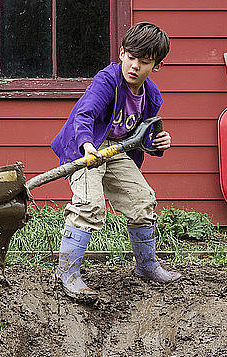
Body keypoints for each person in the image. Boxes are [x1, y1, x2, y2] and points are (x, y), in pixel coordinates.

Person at [50, 22, 181, 300]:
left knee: (142, 200)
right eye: (130, 57)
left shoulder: (152, 96)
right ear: (121, 53)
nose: (134, 66)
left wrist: (157, 143)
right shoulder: (107, 80)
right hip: (85, 147)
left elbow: (139, 136)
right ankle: (67, 273)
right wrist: (87, 146)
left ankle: (146, 266)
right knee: (90, 204)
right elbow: (84, 114)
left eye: (144, 61)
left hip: (117, 150)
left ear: (156, 66)